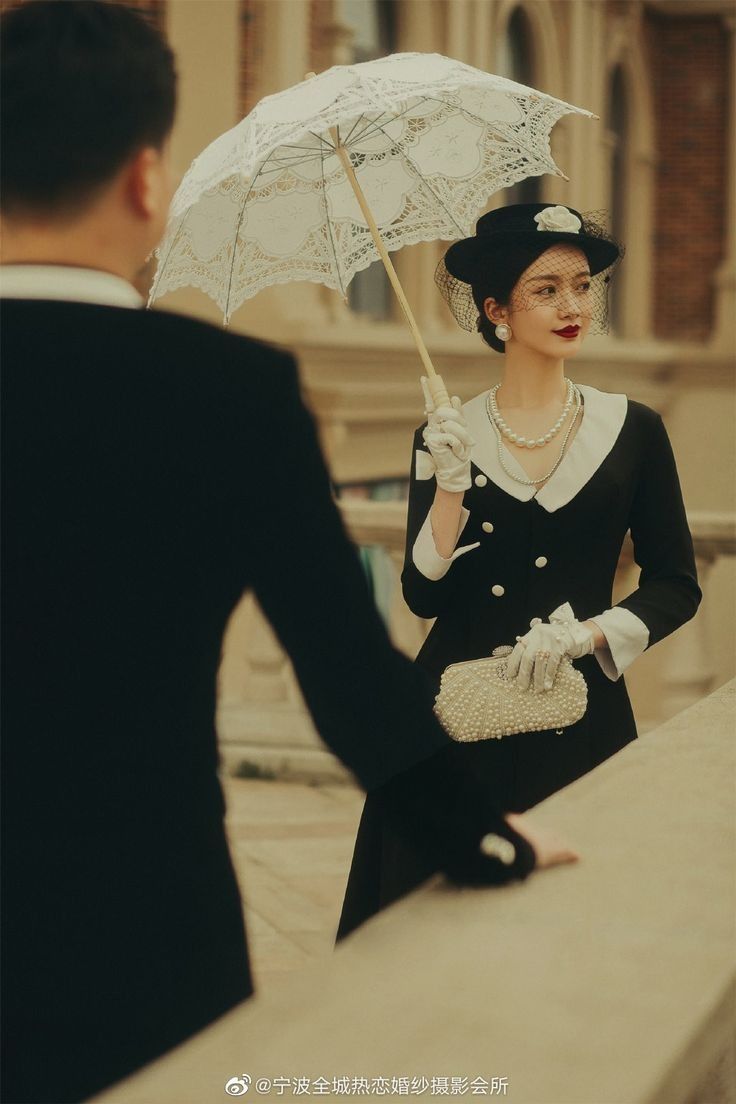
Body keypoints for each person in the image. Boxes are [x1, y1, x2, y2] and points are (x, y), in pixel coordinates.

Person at [0, 7, 576, 1103]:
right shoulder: (232, 398)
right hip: (146, 936)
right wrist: (477, 839)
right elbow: (349, 679)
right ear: (142, 178)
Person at [337, 202, 701, 938]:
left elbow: (677, 581)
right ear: (498, 309)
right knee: (433, 935)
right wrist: (447, 487)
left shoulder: (633, 428)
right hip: (457, 721)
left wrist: (590, 636)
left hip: (583, 723)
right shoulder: (444, 433)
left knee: (578, 938)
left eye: (582, 285)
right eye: (546, 289)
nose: (572, 305)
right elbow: (420, 593)